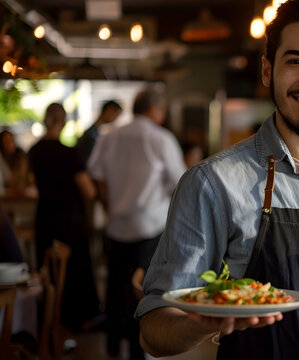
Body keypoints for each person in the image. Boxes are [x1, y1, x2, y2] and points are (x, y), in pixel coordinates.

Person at [136, 1, 299, 359]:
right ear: (267, 70)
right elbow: (153, 328)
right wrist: (203, 322)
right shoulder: (211, 183)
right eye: (295, 61)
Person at [88, 87, 186, 359]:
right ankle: (135, 349)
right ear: (155, 109)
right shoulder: (160, 138)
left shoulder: (110, 136)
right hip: (148, 226)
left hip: (116, 224)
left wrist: (109, 205)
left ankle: (111, 343)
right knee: (141, 290)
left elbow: (96, 175)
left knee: (115, 286)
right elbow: (180, 182)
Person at [27, 103, 100, 329]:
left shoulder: (34, 151)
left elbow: (32, 183)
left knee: (47, 272)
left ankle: (48, 321)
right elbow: (89, 190)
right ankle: (75, 321)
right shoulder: (69, 153)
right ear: (64, 122)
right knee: (73, 271)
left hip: (44, 218)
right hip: (69, 221)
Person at [75, 100, 122, 164]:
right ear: (109, 110)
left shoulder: (93, 132)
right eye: (116, 115)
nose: (115, 118)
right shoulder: (91, 135)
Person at [0, 130, 32, 195]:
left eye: (11, 140)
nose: (10, 144)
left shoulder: (20, 155)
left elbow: (21, 178)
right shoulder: (2, 158)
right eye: (7, 141)